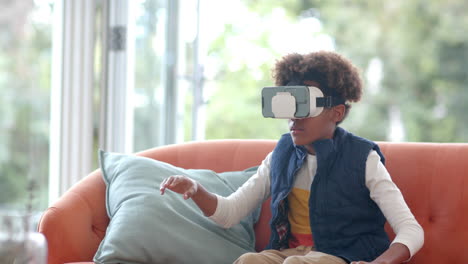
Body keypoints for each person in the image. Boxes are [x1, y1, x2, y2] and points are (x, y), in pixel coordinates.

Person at [160, 51, 424, 264]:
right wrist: (196, 190)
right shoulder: (281, 155)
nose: (294, 117)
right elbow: (230, 213)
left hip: (344, 256)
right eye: (290, 105)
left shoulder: (363, 159)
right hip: (289, 254)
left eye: (305, 105)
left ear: (337, 112)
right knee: (250, 260)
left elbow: (412, 230)